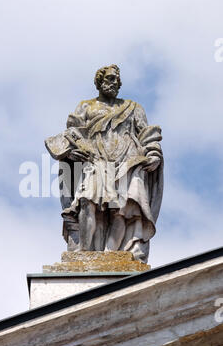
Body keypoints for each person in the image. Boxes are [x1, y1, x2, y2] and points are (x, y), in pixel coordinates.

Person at [45, 64, 163, 263]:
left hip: (127, 160)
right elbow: (72, 134)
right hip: (94, 159)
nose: (115, 82)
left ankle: (111, 255)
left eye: (117, 79)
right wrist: (73, 151)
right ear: (99, 82)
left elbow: (147, 136)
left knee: (121, 210)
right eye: (109, 79)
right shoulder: (86, 107)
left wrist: (153, 153)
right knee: (86, 201)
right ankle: (83, 253)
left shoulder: (133, 108)